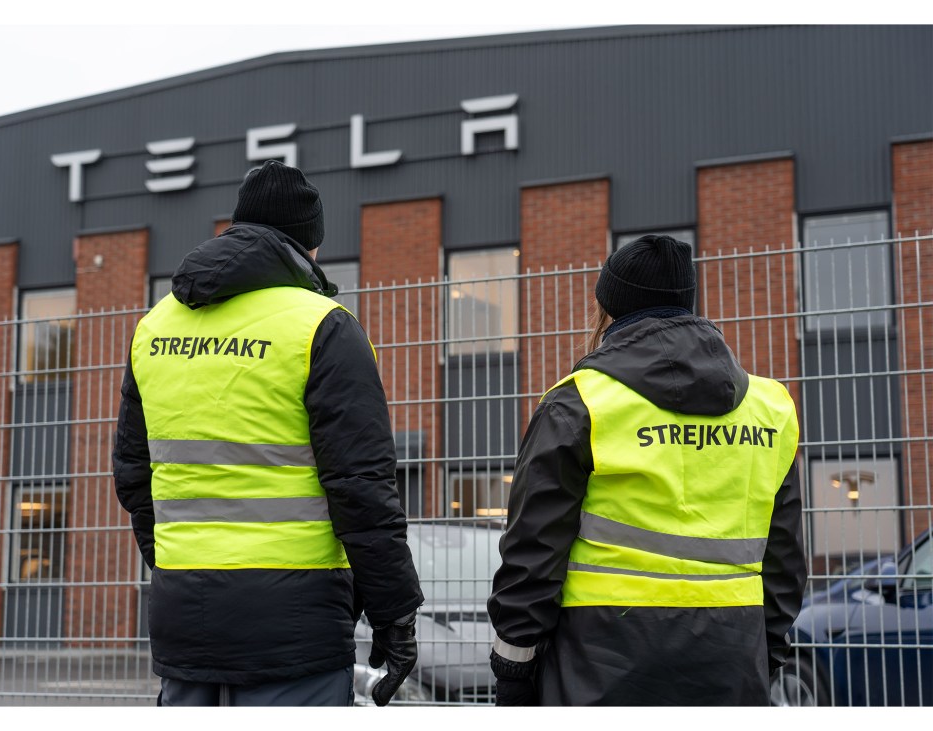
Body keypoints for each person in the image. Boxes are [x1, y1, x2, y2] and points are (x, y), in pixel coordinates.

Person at [112, 160, 424, 706]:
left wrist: (175, 571)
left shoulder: (155, 326)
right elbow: (361, 487)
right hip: (295, 623)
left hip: (183, 614)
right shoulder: (321, 325)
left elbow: (135, 478)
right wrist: (394, 612)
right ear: (310, 245)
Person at [487, 234, 807, 706]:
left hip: (599, 660)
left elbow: (534, 551)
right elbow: (784, 561)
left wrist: (514, 667)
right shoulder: (772, 409)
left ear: (609, 308)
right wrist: (766, 653)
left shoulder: (579, 402)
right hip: (731, 655)